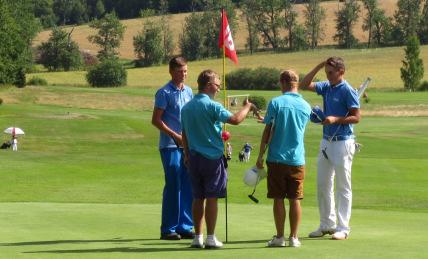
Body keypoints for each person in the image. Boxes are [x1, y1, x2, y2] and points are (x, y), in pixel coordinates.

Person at [181, 69, 253, 249]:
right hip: (211, 158)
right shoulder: (212, 106)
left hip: (194, 158)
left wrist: (187, 155)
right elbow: (236, 120)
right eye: (217, 84)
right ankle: (211, 238)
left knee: (198, 198)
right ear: (208, 85)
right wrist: (247, 107)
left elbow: (185, 134)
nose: (219, 87)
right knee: (212, 198)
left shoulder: (187, 107)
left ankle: (198, 237)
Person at [300, 57, 360, 240]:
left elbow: (356, 117)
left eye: (331, 73)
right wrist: (319, 65)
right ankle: (327, 224)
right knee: (323, 184)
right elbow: (304, 84)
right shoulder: (327, 86)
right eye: (326, 73)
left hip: (343, 142)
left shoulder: (348, 90)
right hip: (326, 141)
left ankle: (343, 228)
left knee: (343, 186)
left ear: (341, 71)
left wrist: (336, 119)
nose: (328, 76)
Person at [256, 70, 311, 247]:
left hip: (277, 158)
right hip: (297, 159)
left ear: (284, 82)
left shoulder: (276, 103)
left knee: (278, 198)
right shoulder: (306, 105)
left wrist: (260, 156)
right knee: (295, 199)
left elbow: (267, 130)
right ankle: (294, 237)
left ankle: (280, 237)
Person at [152, 56, 194, 241]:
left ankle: (185, 226)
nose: (183, 74)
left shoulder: (189, 91)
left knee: (187, 184)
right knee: (173, 185)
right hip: (169, 145)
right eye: (179, 71)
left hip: (187, 145)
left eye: (185, 71)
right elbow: (156, 120)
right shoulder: (164, 93)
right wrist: (175, 135)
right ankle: (168, 228)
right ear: (171, 71)